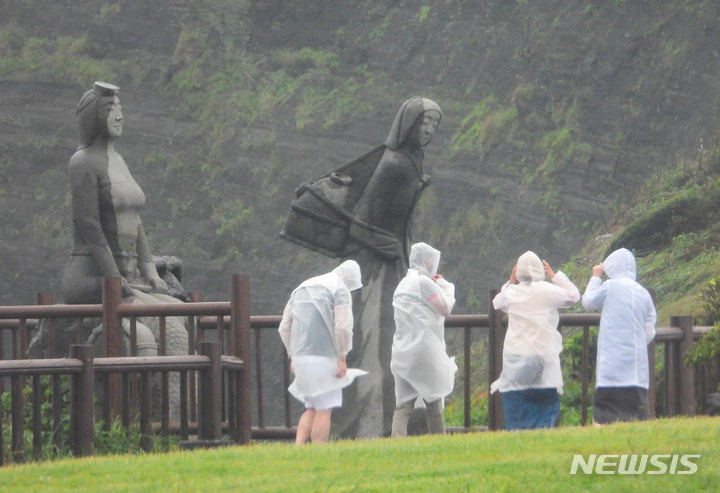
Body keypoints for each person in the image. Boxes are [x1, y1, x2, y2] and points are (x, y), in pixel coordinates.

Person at [337, 97, 442, 438]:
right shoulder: (394, 162)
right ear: (408, 123)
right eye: (424, 122)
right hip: (378, 268)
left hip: (398, 261)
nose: (428, 130)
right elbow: (360, 223)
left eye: (434, 125)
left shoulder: (413, 160)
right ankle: (372, 423)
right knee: (378, 339)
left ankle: (400, 421)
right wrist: (392, 249)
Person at [278, 260, 367, 444]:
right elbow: (342, 327)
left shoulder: (303, 286)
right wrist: (342, 356)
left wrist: (292, 355)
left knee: (310, 406)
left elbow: (284, 327)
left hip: (301, 356)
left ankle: (299, 448)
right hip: (325, 357)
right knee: (325, 408)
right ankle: (319, 451)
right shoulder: (340, 289)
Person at [490, 251, 580, 430]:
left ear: (518, 271)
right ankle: (542, 432)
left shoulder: (512, 293)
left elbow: (497, 302)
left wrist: (511, 281)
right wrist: (555, 277)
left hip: (516, 355)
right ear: (541, 270)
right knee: (545, 398)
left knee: (516, 398)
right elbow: (573, 296)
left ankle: (517, 434)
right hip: (543, 355)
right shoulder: (548, 291)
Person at [581, 248, 656, 425]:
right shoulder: (643, 292)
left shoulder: (610, 286)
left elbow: (588, 302)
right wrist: (635, 341)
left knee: (607, 410)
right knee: (636, 412)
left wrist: (595, 277)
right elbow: (650, 329)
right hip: (637, 366)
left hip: (611, 364)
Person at [390, 242, 456, 437]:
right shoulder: (423, 283)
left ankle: (396, 446)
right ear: (426, 262)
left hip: (402, 351)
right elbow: (444, 307)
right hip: (424, 350)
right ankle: (439, 441)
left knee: (403, 405)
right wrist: (445, 285)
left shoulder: (402, 284)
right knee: (433, 400)